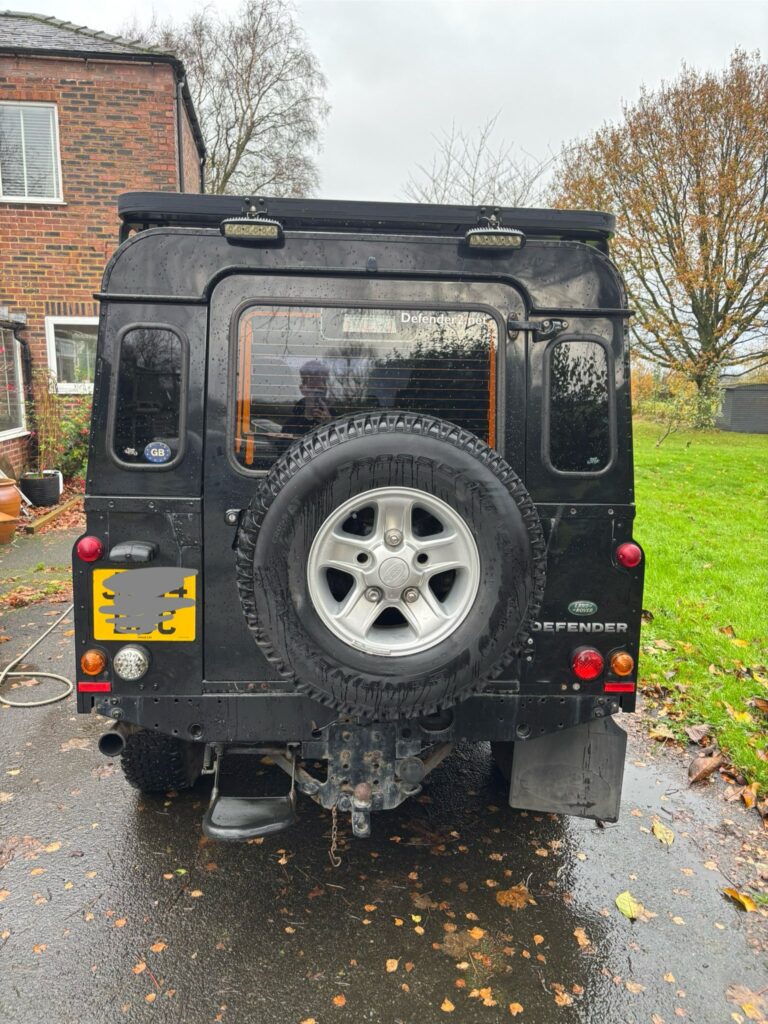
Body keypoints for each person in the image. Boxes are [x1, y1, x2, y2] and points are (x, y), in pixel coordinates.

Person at [282, 359, 337, 437]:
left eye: (320, 390)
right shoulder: (291, 424)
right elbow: (284, 444)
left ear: (325, 389)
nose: (316, 393)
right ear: (302, 389)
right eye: (312, 388)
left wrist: (330, 425)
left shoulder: (339, 419)